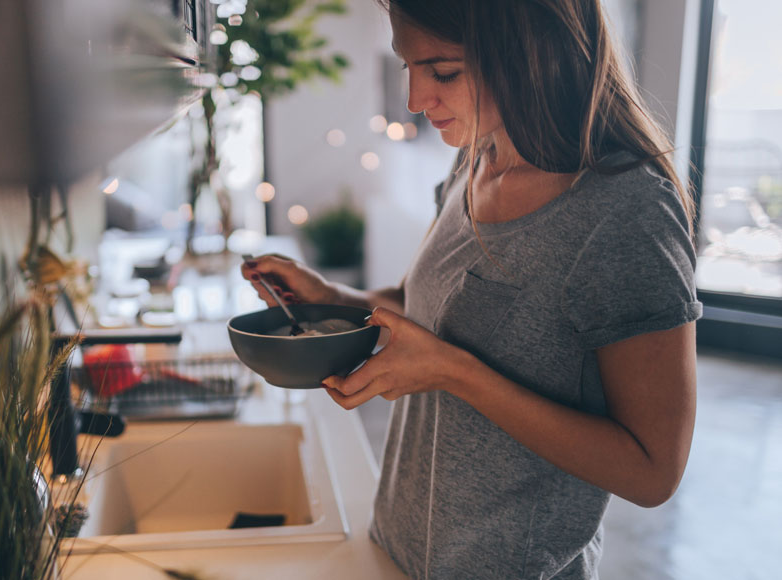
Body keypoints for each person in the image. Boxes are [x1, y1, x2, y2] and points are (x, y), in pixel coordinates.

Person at [241, 0, 702, 578]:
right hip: (398, 552)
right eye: (408, 67)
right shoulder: (476, 158)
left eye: (444, 71)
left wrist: (456, 374)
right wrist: (327, 297)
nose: (415, 100)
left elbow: (653, 470)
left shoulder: (626, 214)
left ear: (531, 51)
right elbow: (421, 310)